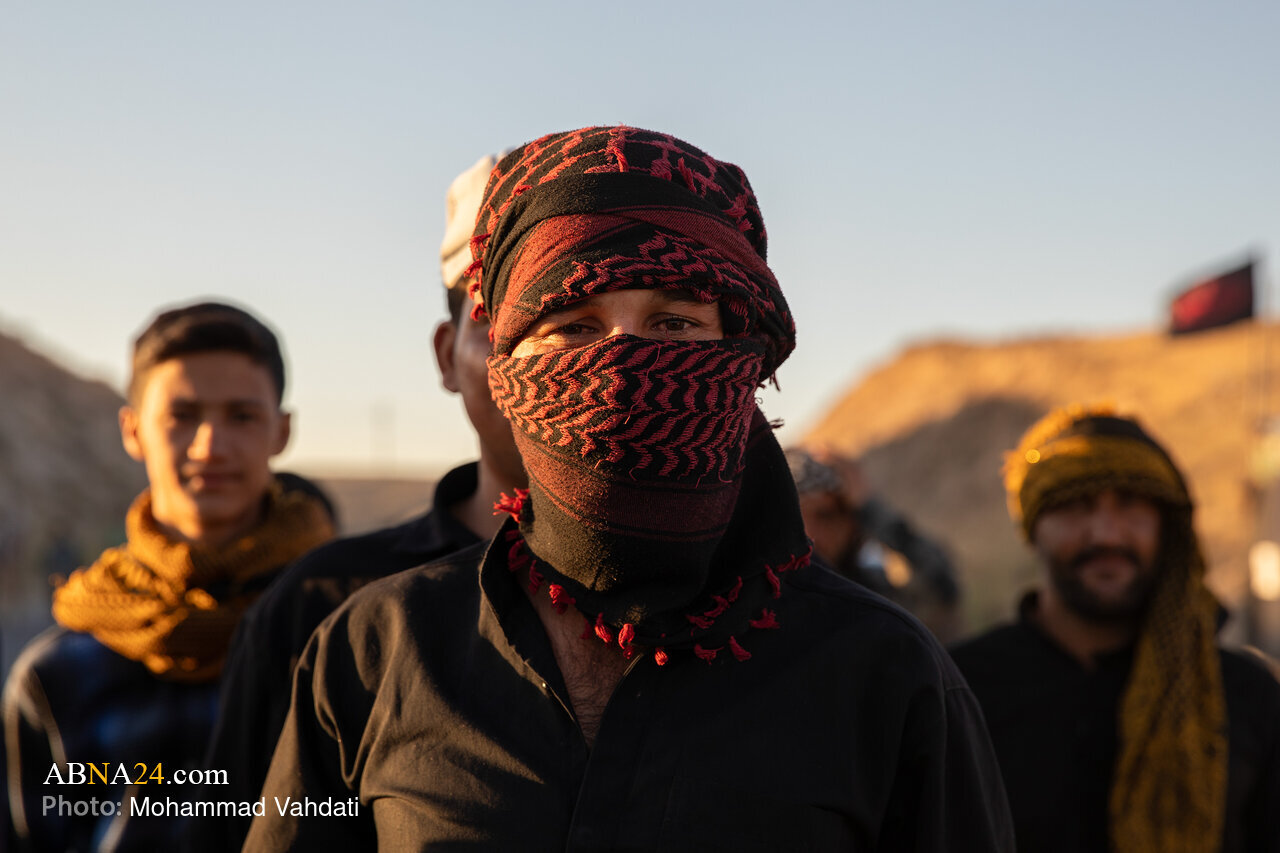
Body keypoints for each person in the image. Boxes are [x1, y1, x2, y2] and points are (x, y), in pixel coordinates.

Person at [244, 125, 1014, 851]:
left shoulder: (885, 672)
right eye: (572, 326)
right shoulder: (376, 651)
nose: (620, 369)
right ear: (505, 367)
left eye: (674, 324)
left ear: (743, 357)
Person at [185, 154, 528, 853]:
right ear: (447, 354)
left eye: (579, 318)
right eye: (505, 319)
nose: (544, 354)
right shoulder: (324, 610)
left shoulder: (758, 614)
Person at [2, 302, 334, 852]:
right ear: (133, 430)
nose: (210, 446)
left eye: (241, 416)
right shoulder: (59, 672)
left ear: (282, 431)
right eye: (182, 416)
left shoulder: (349, 633)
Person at [951, 404, 1280, 853]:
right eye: (1075, 506)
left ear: (1166, 527)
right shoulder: (959, 690)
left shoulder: (1245, 696)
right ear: (1033, 526)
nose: (1106, 534)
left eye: (1131, 506)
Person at [785, 447, 961, 638]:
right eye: (796, 523)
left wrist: (868, 507)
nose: (811, 534)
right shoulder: (784, 613)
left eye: (825, 515)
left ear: (852, 520)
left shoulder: (869, 594)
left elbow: (941, 590)